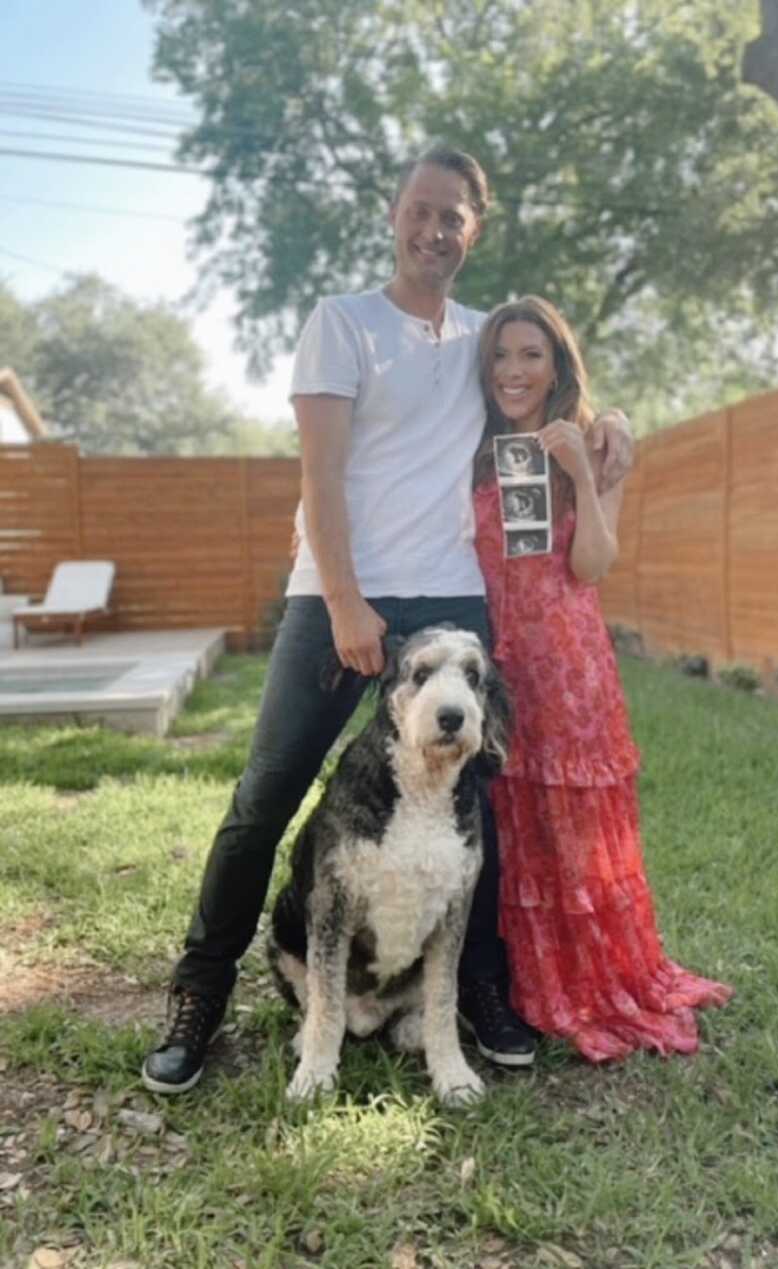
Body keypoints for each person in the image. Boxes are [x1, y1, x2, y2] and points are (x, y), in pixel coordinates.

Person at [141, 147, 634, 1094]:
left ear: (473, 229)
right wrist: (343, 602)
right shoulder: (344, 324)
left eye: (453, 216)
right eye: (421, 210)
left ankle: (477, 989)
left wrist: (615, 419)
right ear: (394, 214)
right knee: (268, 796)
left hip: (451, 604)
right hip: (338, 595)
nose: (434, 230)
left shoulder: (486, 333)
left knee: (470, 803)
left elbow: (553, 374)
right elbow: (319, 478)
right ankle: (199, 991)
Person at [472, 296, 732, 1062]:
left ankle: (588, 979)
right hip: (497, 661)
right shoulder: (474, 447)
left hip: (569, 660)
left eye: (531, 355)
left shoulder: (597, 444)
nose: (515, 371)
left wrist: (582, 470)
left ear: (558, 365)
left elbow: (591, 565)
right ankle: (516, 980)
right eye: (501, 355)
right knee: (510, 821)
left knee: (575, 827)